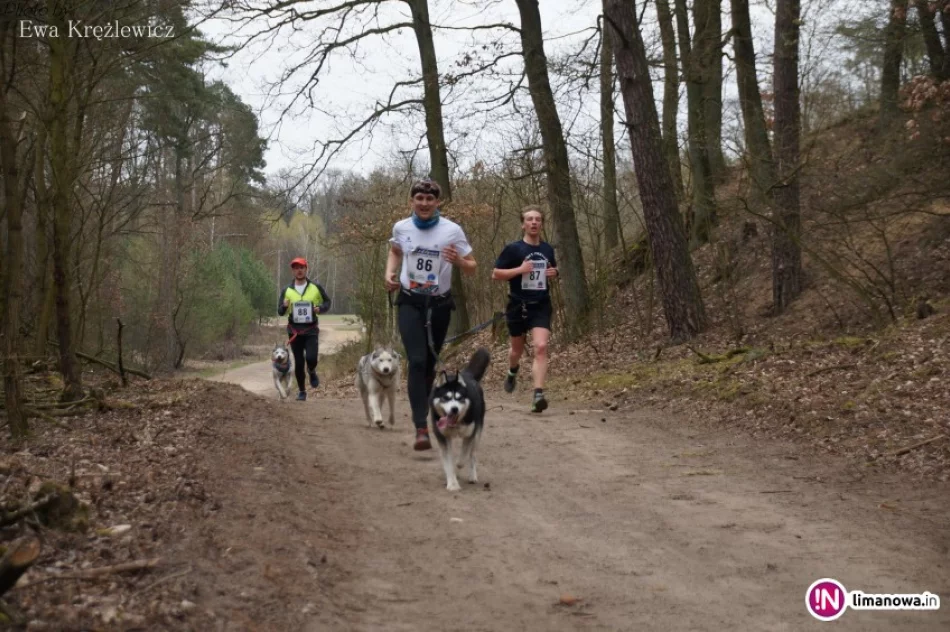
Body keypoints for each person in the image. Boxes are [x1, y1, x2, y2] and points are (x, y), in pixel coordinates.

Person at [385, 179, 477, 450]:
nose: (424, 204)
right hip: (410, 302)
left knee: (428, 364)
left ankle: (425, 411)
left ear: (438, 202)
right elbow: (394, 251)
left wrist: (458, 261)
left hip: (439, 304)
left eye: (429, 199)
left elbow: (472, 266)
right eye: (419, 199)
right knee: (415, 360)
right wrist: (389, 274)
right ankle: (420, 427)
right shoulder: (401, 227)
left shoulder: (452, 230)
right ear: (412, 201)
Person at [491, 205, 558, 413]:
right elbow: (495, 274)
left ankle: (538, 394)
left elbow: (552, 270)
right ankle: (513, 370)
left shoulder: (547, 249)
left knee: (540, 346)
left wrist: (554, 273)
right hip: (517, 305)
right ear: (523, 224)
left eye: (538, 219)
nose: (534, 222)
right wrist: (520, 270)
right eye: (530, 219)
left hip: (540, 304)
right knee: (516, 351)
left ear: (542, 224)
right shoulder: (514, 249)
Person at [277, 257, 332, 401]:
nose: (299, 270)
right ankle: (302, 391)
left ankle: (312, 370)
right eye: (296, 268)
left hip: (311, 329)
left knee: (311, 358)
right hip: (294, 331)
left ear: (306, 269)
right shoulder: (287, 290)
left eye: (301, 267)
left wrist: (321, 308)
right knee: (299, 362)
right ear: (292, 271)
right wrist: (283, 305)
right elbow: (280, 311)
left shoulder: (315, 287)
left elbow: (327, 302)